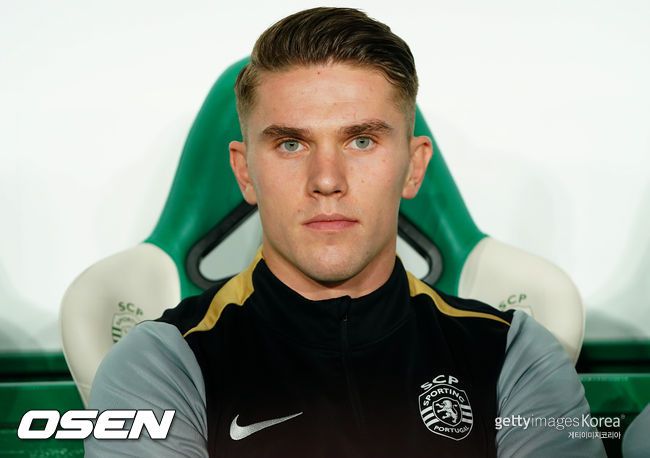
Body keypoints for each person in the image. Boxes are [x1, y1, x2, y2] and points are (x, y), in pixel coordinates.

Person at [85, 7, 606, 457]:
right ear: (244, 172)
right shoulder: (160, 362)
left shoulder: (514, 354)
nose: (327, 180)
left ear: (414, 167)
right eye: (291, 144)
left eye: (361, 141)